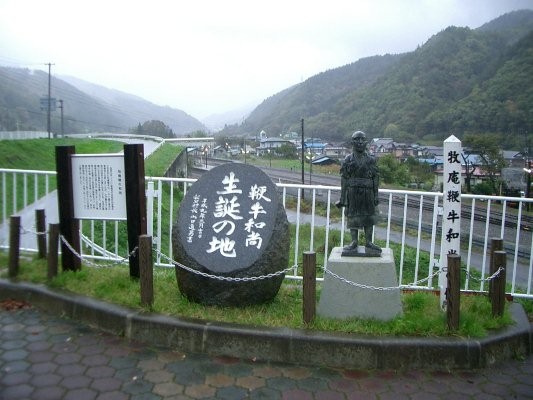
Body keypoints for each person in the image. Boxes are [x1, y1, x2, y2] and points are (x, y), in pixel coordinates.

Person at [336, 131, 381, 256]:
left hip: (368, 192)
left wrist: (376, 195)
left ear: (366, 142)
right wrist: (342, 198)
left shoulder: (371, 159)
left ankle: (368, 242)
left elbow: (375, 178)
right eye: (357, 139)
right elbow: (344, 178)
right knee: (353, 216)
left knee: (369, 216)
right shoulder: (348, 159)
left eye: (362, 139)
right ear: (352, 142)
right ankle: (354, 242)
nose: (360, 142)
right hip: (353, 192)